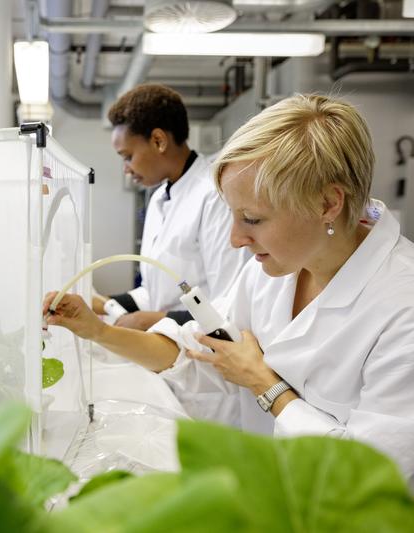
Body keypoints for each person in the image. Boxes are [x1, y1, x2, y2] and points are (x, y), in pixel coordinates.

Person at [45, 94, 414, 484]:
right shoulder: (277, 269)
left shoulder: (400, 305)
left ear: (327, 204)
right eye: (234, 217)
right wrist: (98, 331)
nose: (236, 239)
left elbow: (372, 475)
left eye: (252, 219)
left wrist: (265, 384)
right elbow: (197, 352)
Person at [95, 84, 249, 331]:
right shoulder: (158, 200)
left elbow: (229, 303)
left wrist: (157, 320)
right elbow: (154, 293)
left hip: (205, 351)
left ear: (158, 141)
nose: (126, 168)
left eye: (127, 156)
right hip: (164, 347)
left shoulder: (214, 196)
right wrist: (101, 303)